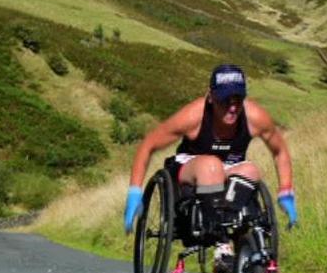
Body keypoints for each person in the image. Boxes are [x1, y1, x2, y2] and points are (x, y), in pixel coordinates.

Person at [123, 64, 298, 263]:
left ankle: (242, 242)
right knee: (211, 165)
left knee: (251, 170)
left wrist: (286, 191)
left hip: (230, 167)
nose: (233, 107)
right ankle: (221, 244)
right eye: (225, 100)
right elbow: (148, 145)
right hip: (189, 167)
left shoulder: (255, 117)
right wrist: (135, 192)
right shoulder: (193, 116)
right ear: (211, 96)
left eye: (238, 100)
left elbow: (280, 150)